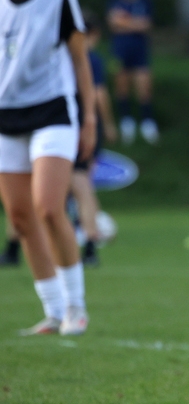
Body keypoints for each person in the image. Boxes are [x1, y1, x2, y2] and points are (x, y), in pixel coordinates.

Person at [0, 0, 96, 335]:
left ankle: (76, 307)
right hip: (7, 118)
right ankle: (54, 311)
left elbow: (80, 62)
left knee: (47, 207)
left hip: (53, 112)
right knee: (20, 218)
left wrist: (89, 117)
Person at [70, 14, 118, 266]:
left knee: (79, 182)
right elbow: (100, 96)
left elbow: (97, 94)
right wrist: (107, 124)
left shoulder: (79, 58)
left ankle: (88, 238)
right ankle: (89, 237)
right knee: (81, 182)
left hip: (74, 128)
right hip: (85, 128)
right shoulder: (91, 58)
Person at [107, 0, 156, 144]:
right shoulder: (115, 1)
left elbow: (146, 25)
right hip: (120, 49)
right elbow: (113, 24)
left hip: (140, 49)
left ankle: (147, 122)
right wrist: (134, 23)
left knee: (144, 86)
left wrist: (124, 22)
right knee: (121, 86)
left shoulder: (144, 1)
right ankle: (127, 122)